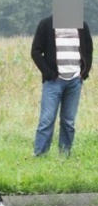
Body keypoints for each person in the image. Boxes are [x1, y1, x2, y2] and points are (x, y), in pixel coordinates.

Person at [31, 13, 92, 156]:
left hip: (75, 81)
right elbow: (35, 51)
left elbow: (88, 50)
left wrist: (84, 72)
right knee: (46, 121)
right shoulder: (46, 24)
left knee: (68, 122)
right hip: (53, 82)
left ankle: (64, 155)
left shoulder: (82, 26)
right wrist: (49, 73)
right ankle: (40, 155)